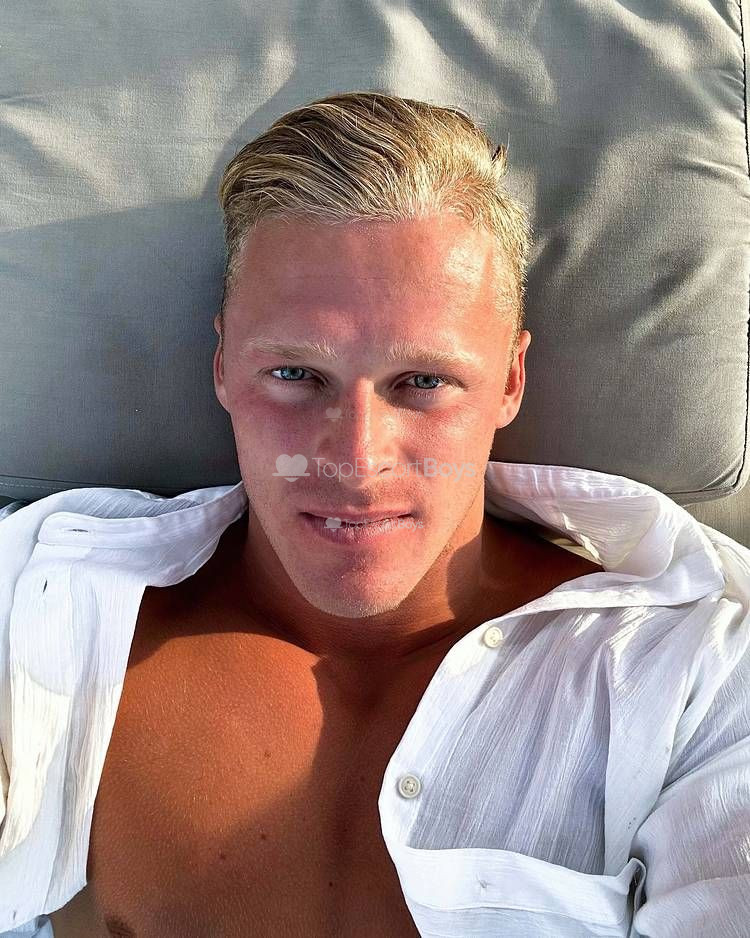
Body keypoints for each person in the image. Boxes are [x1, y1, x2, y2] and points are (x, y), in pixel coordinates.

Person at [2, 91, 749, 937]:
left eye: (423, 382)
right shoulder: (33, 612)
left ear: (510, 380)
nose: (357, 459)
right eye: (295, 375)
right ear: (222, 366)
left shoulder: (699, 679)